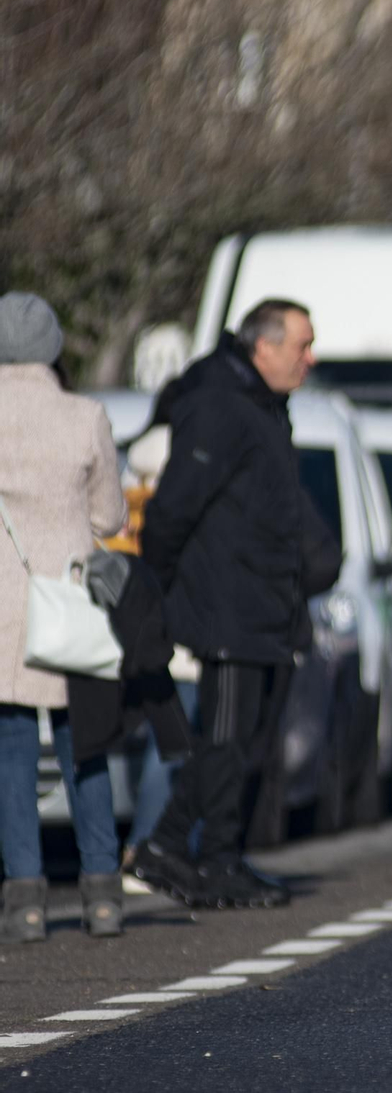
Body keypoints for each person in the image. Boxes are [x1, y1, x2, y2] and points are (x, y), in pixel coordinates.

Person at [130, 298, 331, 910]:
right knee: (222, 740)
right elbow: (174, 507)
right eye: (302, 345)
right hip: (227, 603)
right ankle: (187, 852)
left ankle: (206, 853)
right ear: (262, 347)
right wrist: (155, 588)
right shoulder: (220, 403)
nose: (310, 358)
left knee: (243, 744)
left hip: (263, 601)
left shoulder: (263, 405)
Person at [0, 292, 128, 941]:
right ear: (52, 348)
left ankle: (24, 897)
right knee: (86, 742)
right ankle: (102, 890)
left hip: (2, 609)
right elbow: (110, 517)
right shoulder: (85, 415)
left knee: (11, 748)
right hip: (70, 600)